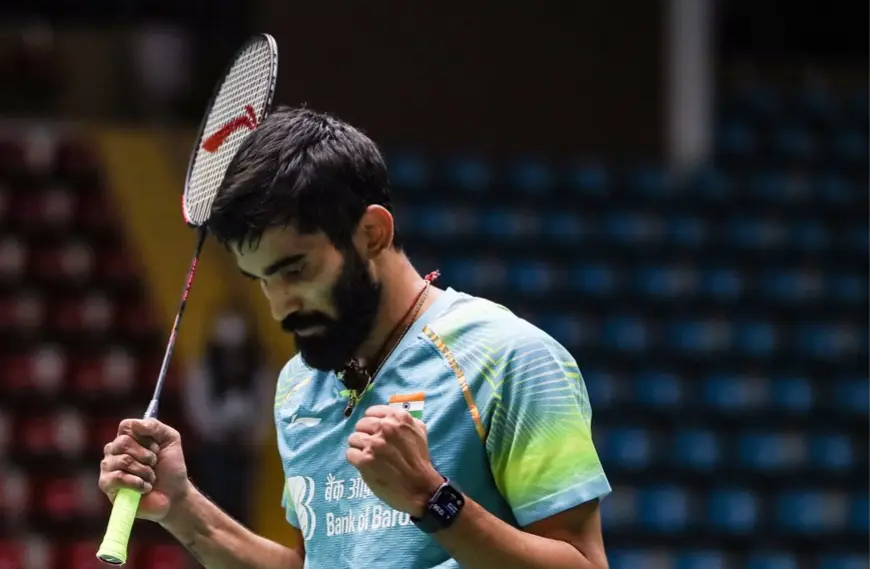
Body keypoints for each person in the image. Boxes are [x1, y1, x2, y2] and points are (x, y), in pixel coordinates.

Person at [98, 107, 612, 569]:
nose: (279, 307)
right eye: (262, 281)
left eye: (295, 270)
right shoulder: (299, 385)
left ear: (372, 234)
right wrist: (183, 509)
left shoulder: (509, 358)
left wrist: (432, 499)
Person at [181, 305, 272, 528]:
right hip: (215, 447)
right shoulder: (204, 365)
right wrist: (215, 431)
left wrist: (254, 437)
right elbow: (197, 406)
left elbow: (267, 403)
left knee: (242, 508)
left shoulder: (259, 365)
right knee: (215, 505)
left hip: (245, 448)